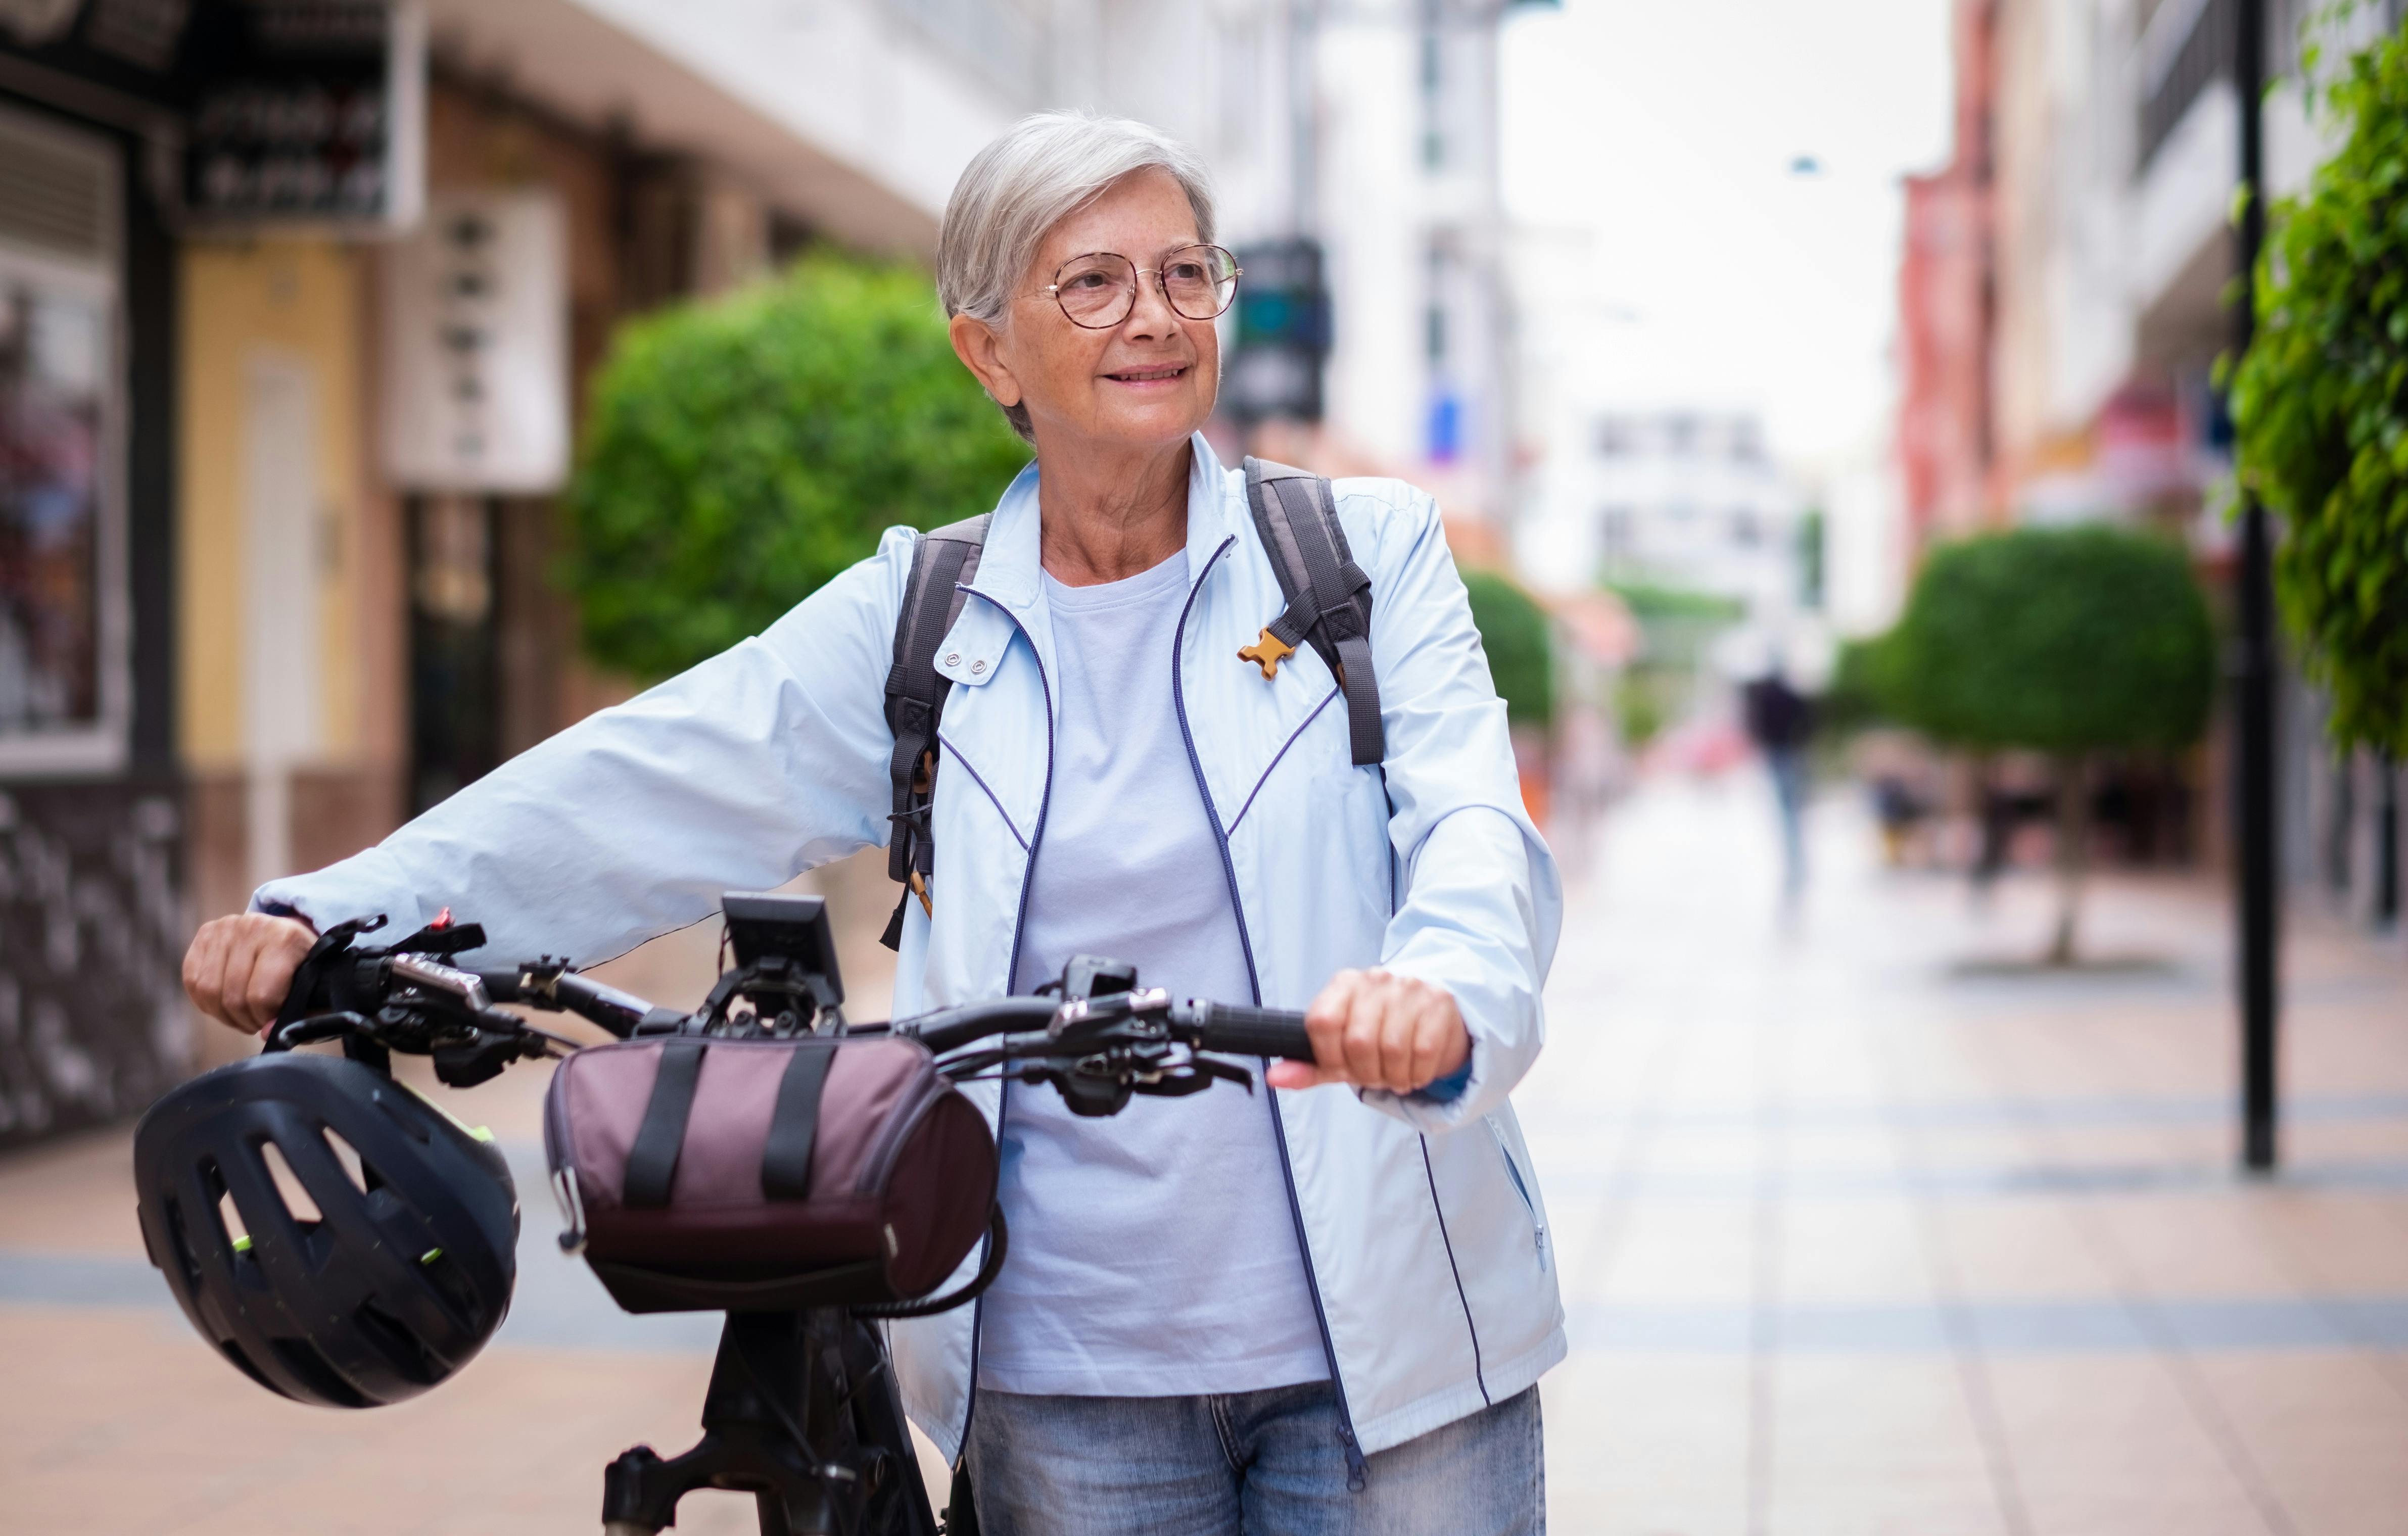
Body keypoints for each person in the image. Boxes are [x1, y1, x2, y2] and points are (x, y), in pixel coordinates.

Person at [181, 111, 1562, 1536]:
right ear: (987, 350)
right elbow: (643, 781)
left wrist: (1441, 992)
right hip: (1068, 1372)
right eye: (1089, 283)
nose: (1150, 319)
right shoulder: (924, 618)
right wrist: (334, 918)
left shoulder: (1355, 558)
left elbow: (1472, 827)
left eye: (1182, 276)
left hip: (1396, 1362)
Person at [1741, 664, 1815, 896]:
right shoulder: (1792, 698)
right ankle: (1795, 850)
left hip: (1778, 754)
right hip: (1791, 753)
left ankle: (1793, 849)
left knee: (1786, 805)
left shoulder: (1765, 699)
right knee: (1791, 805)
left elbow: (1755, 725)